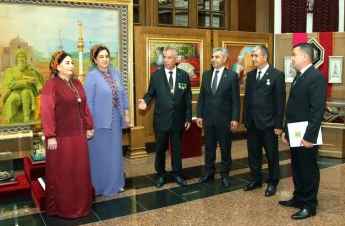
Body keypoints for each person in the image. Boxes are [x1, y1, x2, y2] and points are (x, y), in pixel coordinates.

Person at [40, 51, 94, 218]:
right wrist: (51, 135)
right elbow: (46, 111)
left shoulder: (77, 83)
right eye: (67, 63)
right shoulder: (51, 85)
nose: (71, 66)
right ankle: (64, 208)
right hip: (61, 139)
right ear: (57, 67)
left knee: (79, 172)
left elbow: (84, 106)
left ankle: (82, 206)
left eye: (72, 62)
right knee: (64, 174)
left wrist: (89, 126)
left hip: (79, 138)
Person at [280, 42, 327, 220]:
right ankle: (299, 197)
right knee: (297, 166)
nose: (292, 58)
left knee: (308, 168)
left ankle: (309, 205)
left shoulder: (316, 78)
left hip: (306, 133)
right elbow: (292, 106)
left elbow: (317, 111)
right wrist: (285, 129)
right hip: (294, 130)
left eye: (294, 54)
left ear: (305, 57)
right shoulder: (300, 76)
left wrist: (309, 137)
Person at [138, 47, 192, 188]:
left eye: (169, 57)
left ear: (176, 59)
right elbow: (150, 93)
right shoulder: (156, 76)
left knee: (176, 148)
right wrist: (145, 101)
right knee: (160, 148)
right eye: (164, 57)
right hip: (161, 119)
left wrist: (187, 118)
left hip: (178, 120)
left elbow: (187, 98)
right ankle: (161, 174)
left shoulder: (183, 76)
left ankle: (177, 174)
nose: (166, 60)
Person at [84, 44, 130, 197]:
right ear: (95, 60)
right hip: (98, 123)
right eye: (101, 57)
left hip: (116, 121)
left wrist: (127, 113)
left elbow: (123, 95)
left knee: (115, 153)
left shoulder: (116, 74)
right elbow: (88, 103)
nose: (105, 60)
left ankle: (117, 183)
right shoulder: (92, 77)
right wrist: (88, 124)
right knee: (100, 155)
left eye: (107, 56)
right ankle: (99, 186)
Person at [242, 45, 285, 196]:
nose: (253, 58)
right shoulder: (251, 75)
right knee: (253, 153)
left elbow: (280, 102)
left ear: (265, 57)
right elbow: (247, 100)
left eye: (256, 56)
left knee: (272, 155)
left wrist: (279, 125)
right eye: (252, 56)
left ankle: (272, 182)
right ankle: (256, 179)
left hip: (269, 124)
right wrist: (245, 120)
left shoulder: (277, 75)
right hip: (252, 123)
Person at [196, 47, 240, 187]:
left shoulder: (232, 76)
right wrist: (199, 115)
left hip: (225, 120)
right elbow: (202, 97)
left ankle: (225, 174)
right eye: (213, 56)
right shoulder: (206, 75)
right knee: (209, 148)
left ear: (225, 59)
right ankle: (209, 173)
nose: (213, 59)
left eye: (217, 57)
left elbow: (235, 101)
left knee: (225, 149)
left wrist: (235, 118)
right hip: (208, 119)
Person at [2, 49, 44, 123]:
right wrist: (26, 82)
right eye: (19, 57)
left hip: (29, 93)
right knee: (12, 100)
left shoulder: (31, 72)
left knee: (26, 93)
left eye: (23, 57)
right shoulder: (10, 71)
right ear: (16, 60)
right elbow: (11, 84)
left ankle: (27, 118)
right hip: (15, 92)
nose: (21, 59)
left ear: (25, 59)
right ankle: (7, 120)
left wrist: (40, 88)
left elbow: (37, 82)